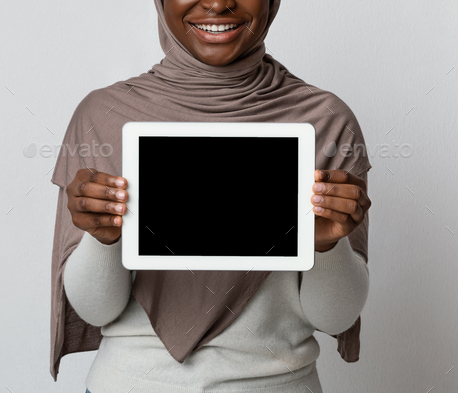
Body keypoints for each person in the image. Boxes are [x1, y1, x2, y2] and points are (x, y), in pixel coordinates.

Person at [50, 0, 372, 392]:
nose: (218, 3)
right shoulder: (104, 115)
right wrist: (103, 242)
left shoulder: (326, 119)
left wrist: (329, 249)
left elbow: (334, 318)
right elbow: (95, 310)